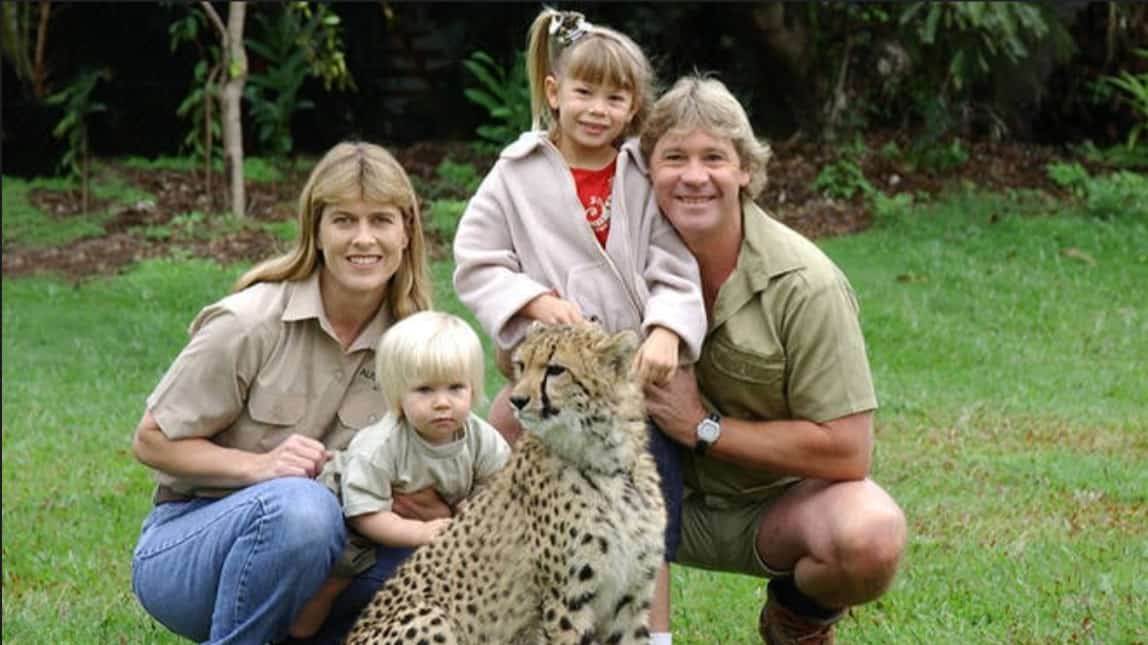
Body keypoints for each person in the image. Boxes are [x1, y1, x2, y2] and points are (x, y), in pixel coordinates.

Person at [451, 8, 707, 643]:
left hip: (628, 378)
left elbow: (674, 265)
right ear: (553, 91)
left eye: (615, 98)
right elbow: (477, 259)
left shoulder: (639, 175)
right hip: (548, 372)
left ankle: (652, 634)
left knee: (646, 497)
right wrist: (534, 301)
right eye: (584, 92)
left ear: (633, 106)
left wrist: (667, 331)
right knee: (519, 479)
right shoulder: (516, 173)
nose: (597, 109)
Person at [130, 141, 435, 645]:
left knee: (455, 559)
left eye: (381, 220)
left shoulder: (417, 345)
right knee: (302, 510)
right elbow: (151, 441)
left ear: (406, 232)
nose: (363, 239)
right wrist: (260, 467)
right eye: (344, 220)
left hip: (342, 556)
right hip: (194, 542)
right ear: (316, 230)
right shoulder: (250, 322)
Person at [639, 75, 908, 645]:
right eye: (674, 158)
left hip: (774, 508)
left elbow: (848, 448)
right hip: (645, 497)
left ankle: (798, 616)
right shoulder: (619, 260)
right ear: (647, 170)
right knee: (510, 422)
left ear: (745, 168)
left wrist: (702, 427)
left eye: (714, 157)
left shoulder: (807, 283)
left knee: (873, 535)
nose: (694, 176)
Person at [289, 311, 511, 638]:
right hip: (352, 504)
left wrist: (475, 509)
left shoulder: (481, 438)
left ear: (473, 389)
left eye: (455, 388)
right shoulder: (380, 446)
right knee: (342, 567)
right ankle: (299, 628)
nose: (442, 403)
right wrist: (420, 533)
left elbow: (498, 485)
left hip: (415, 510)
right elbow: (366, 515)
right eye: (425, 390)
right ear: (397, 395)